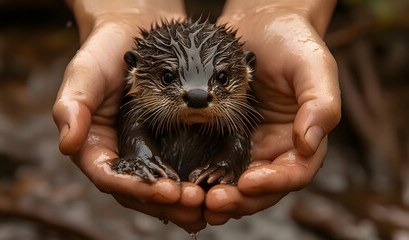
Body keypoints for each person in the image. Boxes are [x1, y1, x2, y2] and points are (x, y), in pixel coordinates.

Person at [53, 0, 341, 233]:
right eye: (167, 78)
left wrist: (228, 164)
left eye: (223, 78)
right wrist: (139, 156)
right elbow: (134, 134)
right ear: (134, 69)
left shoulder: (241, 116)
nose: (199, 95)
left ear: (248, 70)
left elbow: (239, 141)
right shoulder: (135, 111)